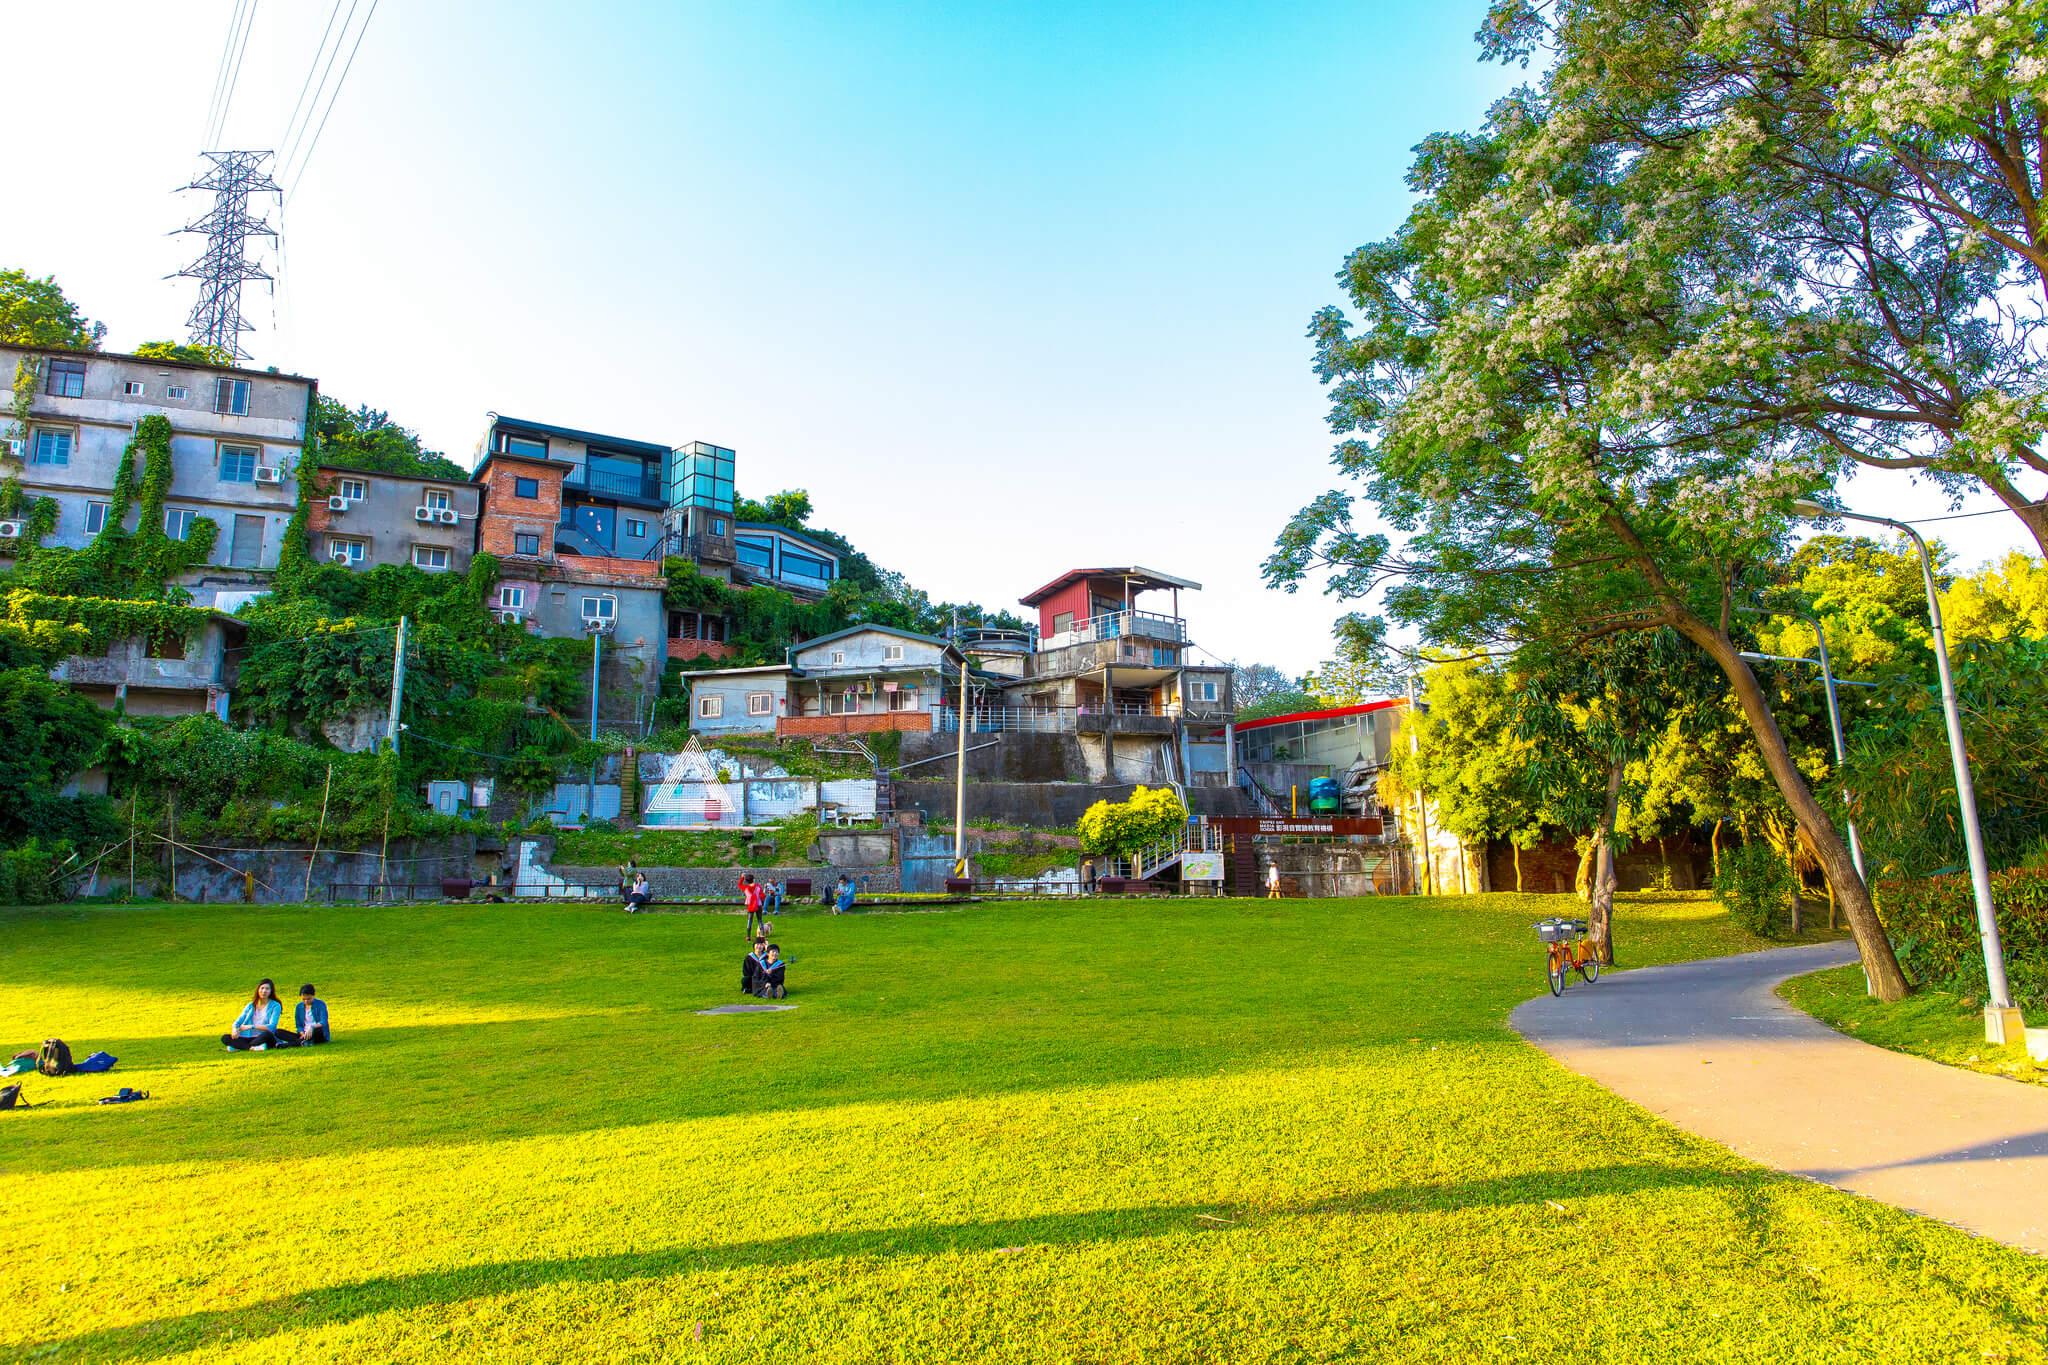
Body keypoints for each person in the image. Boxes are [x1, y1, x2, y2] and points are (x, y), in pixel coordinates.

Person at [221, 979, 284, 1051]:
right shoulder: (250, 1005)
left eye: (267, 989)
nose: (264, 991)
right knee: (225, 1037)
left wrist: (251, 1027)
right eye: (262, 988)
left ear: (271, 991)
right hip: (248, 1037)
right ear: (258, 990)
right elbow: (238, 1021)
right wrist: (234, 1029)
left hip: (263, 1037)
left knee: (267, 1034)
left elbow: (272, 1026)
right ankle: (252, 1048)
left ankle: (238, 1047)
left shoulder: (275, 1005)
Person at [741, 874, 765, 939]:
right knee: (760, 920)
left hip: (750, 905)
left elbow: (739, 884)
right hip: (758, 904)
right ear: (753, 879)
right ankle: (762, 935)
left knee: (749, 920)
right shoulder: (758, 886)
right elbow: (763, 895)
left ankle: (748, 936)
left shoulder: (745, 887)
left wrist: (742, 877)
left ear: (746, 881)